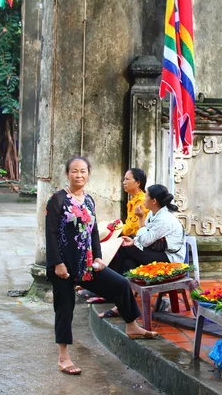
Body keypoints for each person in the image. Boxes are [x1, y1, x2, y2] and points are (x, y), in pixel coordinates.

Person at [46, 156, 157, 375]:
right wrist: (57, 263)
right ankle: (63, 357)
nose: (79, 175)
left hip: (86, 264)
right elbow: (50, 234)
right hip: (64, 266)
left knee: (121, 285)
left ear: (88, 174)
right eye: (75, 171)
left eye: (83, 171)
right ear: (67, 174)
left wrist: (98, 257)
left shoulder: (89, 200)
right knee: (65, 308)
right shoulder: (57, 199)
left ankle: (132, 325)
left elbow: (93, 232)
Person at [101, 184, 186, 318]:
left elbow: (146, 240)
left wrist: (140, 219)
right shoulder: (153, 214)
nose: (144, 199)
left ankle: (109, 289)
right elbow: (146, 238)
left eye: (146, 196)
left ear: (154, 201)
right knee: (128, 262)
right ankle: (119, 300)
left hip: (170, 259)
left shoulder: (164, 219)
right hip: (156, 252)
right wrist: (133, 241)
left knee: (125, 251)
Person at [121, 168, 150, 237]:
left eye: (127, 179)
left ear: (138, 183)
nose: (124, 182)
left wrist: (115, 229)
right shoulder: (133, 200)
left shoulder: (142, 201)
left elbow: (132, 228)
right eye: (124, 179)